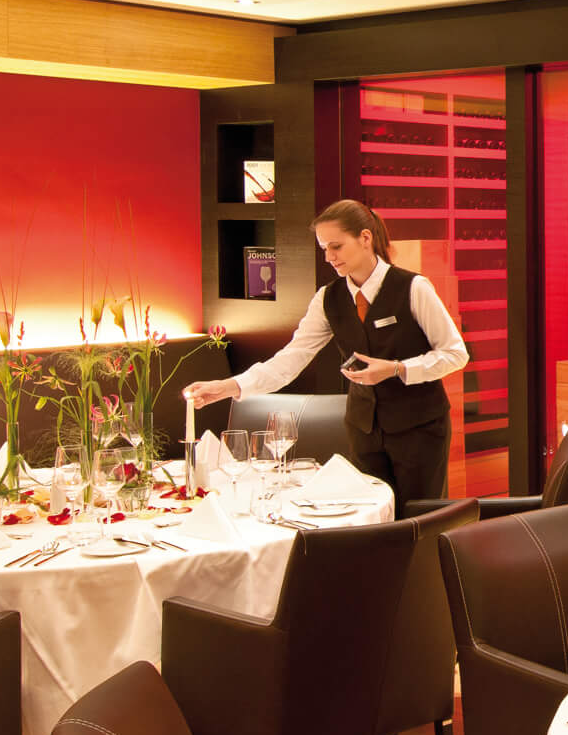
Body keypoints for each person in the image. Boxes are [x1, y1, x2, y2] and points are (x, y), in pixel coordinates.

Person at [184, 199, 467, 514]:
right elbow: (290, 359)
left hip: (420, 429)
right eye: (324, 249)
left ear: (365, 238)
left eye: (336, 246)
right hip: (363, 431)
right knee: (370, 522)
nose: (330, 257)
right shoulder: (327, 299)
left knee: (420, 521)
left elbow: (455, 354)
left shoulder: (414, 288)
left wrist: (398, 369)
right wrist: (228, 387)